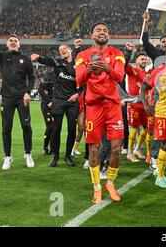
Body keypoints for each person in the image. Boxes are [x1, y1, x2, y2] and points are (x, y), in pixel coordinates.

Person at [75, 22, 126, 204]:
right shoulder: (82, 56)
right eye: (98, 30)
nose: (102, 32)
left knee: (117, 149)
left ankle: (110, 183)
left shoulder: (117, 54)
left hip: (113, 106)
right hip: (94, 107)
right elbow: (79, 81)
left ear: (109, 36)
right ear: (92, 35)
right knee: (94, 149)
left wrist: (107, 68)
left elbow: (120, 77)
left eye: (105, 30)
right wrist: (88, 72)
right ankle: (97, 187)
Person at [0, 17, 35, 170]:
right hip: (7, 98)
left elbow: (32, 78)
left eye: (15, 40)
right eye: (11, 40)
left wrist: (28, 92)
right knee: (6, 128)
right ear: (7, 44)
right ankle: (8, 157)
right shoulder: (2, 56)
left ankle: (28, 154)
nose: (13, 41)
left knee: (26, 126)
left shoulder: (25, 59)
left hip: (22, 98)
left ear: (19, 44)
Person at [140, 43, 166, 188]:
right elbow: (143, 88)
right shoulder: (159, 71)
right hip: (163, 113)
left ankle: (159, 168)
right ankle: (159, 177)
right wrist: (146, 105)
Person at [31, 45, 80, 167]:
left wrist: (77, 94)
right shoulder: (58, 63)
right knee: (56, 129)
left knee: (72, 129)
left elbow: (84, 82)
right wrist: (39, 58)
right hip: (58, 101)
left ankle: (68, 156)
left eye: (64, 48)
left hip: (72, 101)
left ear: (70, 50)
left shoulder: (79, 64)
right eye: (60, 50)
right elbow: (47, 61)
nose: (62, 51)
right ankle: (56, 156)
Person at [124, 49, 150, 162]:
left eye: (145, 59)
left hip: (144, 104)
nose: (144, 61)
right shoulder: (132, 70)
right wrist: (128, 52)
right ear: (136, 61)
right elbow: (124, 64)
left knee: (146, 130)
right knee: (134, 129)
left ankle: (137, 149)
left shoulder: (148, 74)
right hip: (134, 104)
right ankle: (129, 153)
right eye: (142, 59)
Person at [38, 72, 55, 155]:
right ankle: (45, 147)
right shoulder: (47, 78)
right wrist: (48, 102)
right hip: (46, 106)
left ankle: (52, 148)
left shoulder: (57, 78)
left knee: (53, 127)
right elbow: (40, 90)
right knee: (50, 126)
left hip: (54, 105)